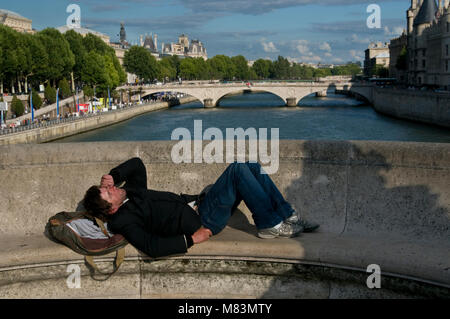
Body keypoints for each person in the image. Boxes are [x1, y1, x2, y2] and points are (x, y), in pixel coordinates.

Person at [83, 157, 319, 258]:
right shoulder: (124, 220)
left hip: (200, 203)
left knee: (253, 166)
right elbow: (151, 246)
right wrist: (191, 239)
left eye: (110, 188)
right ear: (110, 210)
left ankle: (288, 215)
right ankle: (269, 224)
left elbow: (137, 164)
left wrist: (113, 175)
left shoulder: (130, 192)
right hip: (203, 219)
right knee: (237, 169)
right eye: (109, 193)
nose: (114, 189)